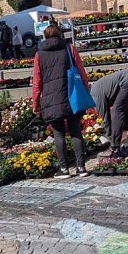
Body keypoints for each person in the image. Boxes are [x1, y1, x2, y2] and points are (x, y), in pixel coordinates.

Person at [31, 24, 90, 178]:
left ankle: (64, 169)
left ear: (45, 37)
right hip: (72, 96)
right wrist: (85, 88)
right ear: (60, 35)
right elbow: (82, 73)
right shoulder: (69, 49)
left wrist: (35, 103)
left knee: (59, 134)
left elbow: (37, 82)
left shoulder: (39, 55)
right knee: (76, 131)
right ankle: (81, 167)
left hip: (52, 99)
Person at [91, 69, 128, 157]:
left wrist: (109, 138)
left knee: (117, 111)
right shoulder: (97, 89)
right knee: (124, 111)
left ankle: (114, 148)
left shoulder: (94, 95)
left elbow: (105, 119)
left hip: (127, 79)